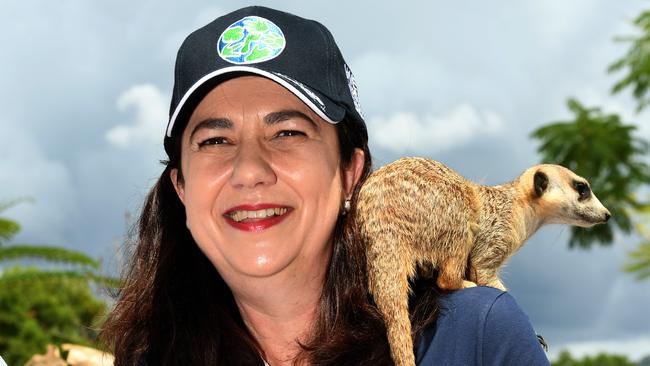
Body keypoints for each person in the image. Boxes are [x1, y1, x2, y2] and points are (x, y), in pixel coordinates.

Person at [100, 6, 550, 366]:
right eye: (216, 140)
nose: (249, 170)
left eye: (287, 133)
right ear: (181, 187)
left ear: (350, 172)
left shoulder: (474, 336)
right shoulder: (149, 356)